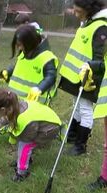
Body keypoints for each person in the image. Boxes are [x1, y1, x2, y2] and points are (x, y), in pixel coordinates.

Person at [0, 88, 61, 182]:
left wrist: (12, 132)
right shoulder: (14, 107)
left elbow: (28, 137)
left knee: (24, 146)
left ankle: (22, 173)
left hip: (49, 129)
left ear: (3, 109)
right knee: (21, 142)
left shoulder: (26, 119)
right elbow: (0, 124)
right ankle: (25, 161)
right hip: (40, 125)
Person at [58, 0, 107, 156]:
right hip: (77, 75)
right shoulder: (88, 22)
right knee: (77, 106)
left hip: (89, 78)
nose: (74, 12)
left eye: (78, 11)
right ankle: (72, 136)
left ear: (89, 10)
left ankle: (81, 146)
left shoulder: (101, 27)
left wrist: (90, 71)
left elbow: (99, 58)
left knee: (85, 110)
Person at [0, 25, 58, 105]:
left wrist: (39, 88)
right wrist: (8, 72)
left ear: (30, 42)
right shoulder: (24, 53)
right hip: (16, 100)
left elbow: (51, 77)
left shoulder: (47, 57)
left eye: (20, 45)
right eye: (17, 45)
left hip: (35, 103)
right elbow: (18, 66)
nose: (19, 48)